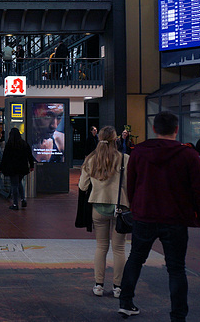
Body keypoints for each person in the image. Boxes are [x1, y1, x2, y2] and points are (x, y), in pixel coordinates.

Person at [118, 111, 200, 319]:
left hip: (144, 216)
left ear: (154, 129)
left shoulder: (139, 153)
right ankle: (178, 315)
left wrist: (136, 206)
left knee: (135, 258)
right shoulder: (188, 155)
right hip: (175, 219)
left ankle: (125, 302)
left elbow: (130, 183)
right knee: (176, 268)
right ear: (176, 129)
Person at [78, 126, 129, 299]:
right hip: (119, 207)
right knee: (119, 249)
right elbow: (130, 185)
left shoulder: (91, 159)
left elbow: (82, 186)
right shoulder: (124, 159)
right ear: (116, 140)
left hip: (98, 208)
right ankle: (118, 287)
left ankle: (98, 285)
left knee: (101, 247)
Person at [0, 128, 36, 210]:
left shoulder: (9, 145)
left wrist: (0, 168)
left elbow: (5, 157)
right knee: (19, 182)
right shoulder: (24, 144)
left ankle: (15, 203)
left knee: (14, 184)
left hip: (12, 168)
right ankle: (23, 199)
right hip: (22, 168)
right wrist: (32, 166)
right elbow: (29, 155)